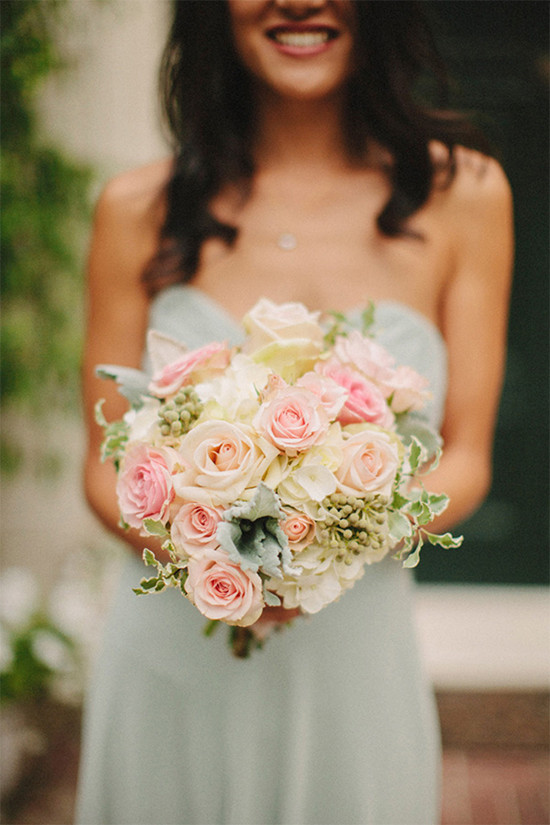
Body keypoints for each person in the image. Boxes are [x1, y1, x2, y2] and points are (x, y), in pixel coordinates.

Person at [76, 2, 513, 823]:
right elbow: (103, 469)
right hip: (173, 652)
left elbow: (467, 458)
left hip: (354, 659)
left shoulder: (469, 195)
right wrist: (223, 560)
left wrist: (319, 546)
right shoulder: (136, 209)